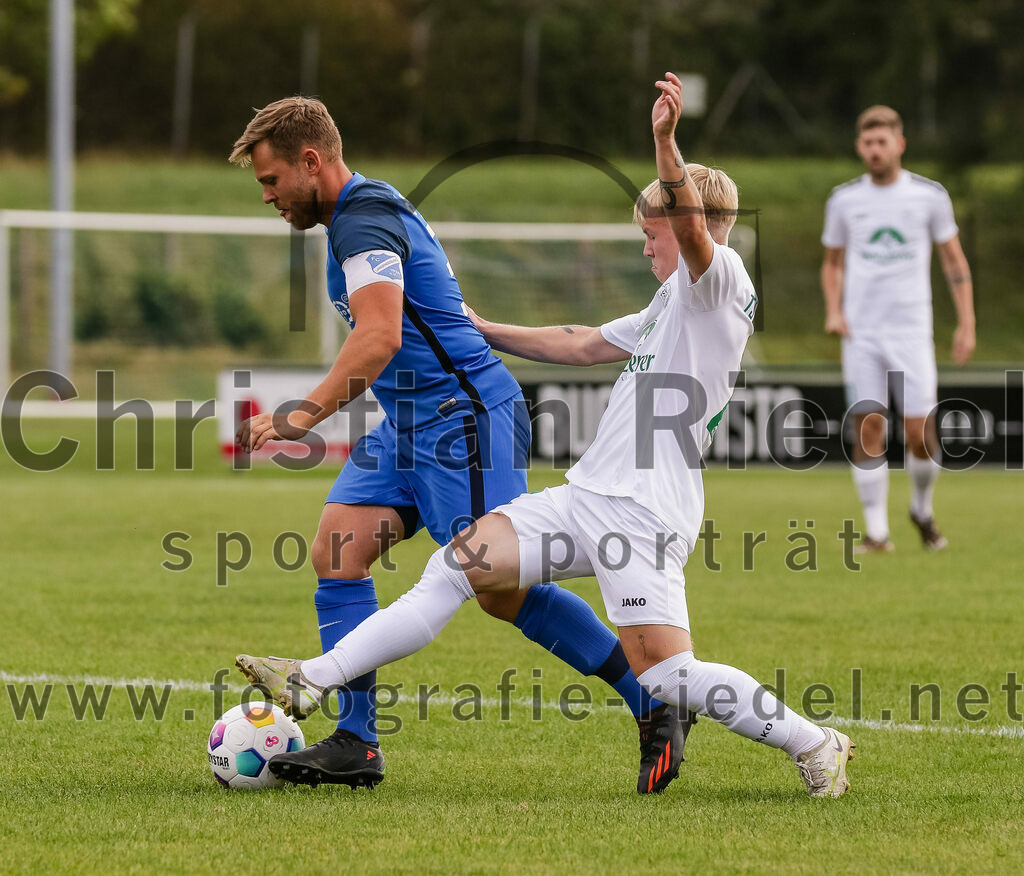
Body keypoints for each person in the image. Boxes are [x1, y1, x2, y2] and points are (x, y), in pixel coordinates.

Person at [238, 74, 856, 798]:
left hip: (642, 511)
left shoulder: (718, 283)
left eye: (650, 236)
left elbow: (689, 229)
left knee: (667, 671)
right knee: (456, 569)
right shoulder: (669, 304)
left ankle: (816, 742)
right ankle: (313, 681)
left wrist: (663, 144)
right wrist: (478, 325)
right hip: (588, 494)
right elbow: (584, 342)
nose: (646, 250)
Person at [228, 97, 692, 793]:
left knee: (496, 586)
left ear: (311, 161)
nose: (267, 197)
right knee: (337, 549)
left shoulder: (364, 218)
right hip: (411, 423)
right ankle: (357, 741)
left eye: (271, 182)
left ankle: (653, 697)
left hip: (462, 418)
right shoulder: (360, 216)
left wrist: (304, 414)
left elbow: (379, 337)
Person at [822, 105, 976, 552]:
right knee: (868, 425)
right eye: (867, 143)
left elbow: (954, 262)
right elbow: (831, 264)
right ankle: (877, 533)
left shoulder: (929, 196)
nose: (874, 150)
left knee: (919, 433)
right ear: (859, 147)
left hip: (911, 331)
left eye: (882, 141)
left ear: (899, 144)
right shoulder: (844, 200)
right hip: (862, 335)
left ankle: (921, 508)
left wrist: (966, 323)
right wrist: (834, 308)